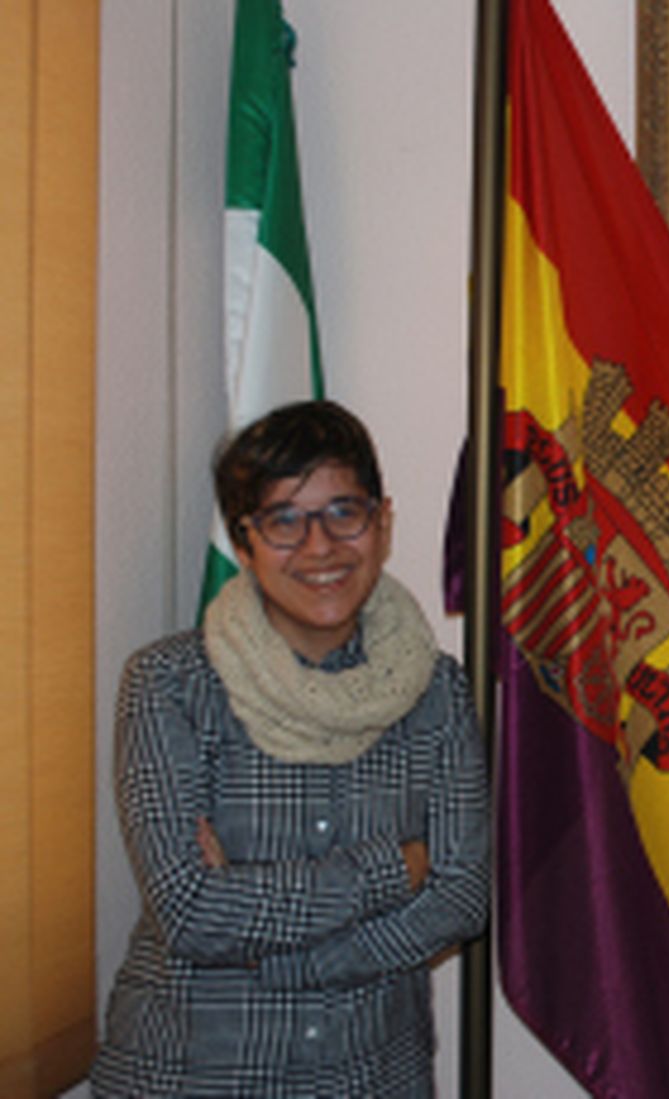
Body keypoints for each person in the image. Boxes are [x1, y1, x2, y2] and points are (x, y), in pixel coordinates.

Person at [92, 400, 489, 1097]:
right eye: (283, 519)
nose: (319, 545)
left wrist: (280, 949)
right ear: (244, 543)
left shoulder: (437, 692)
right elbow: (189, 911)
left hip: (371, 1076)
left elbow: (462, 895)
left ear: (383, 521)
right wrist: (396, 867)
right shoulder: (169, 686)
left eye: (344, 511)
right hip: (193, 1076)